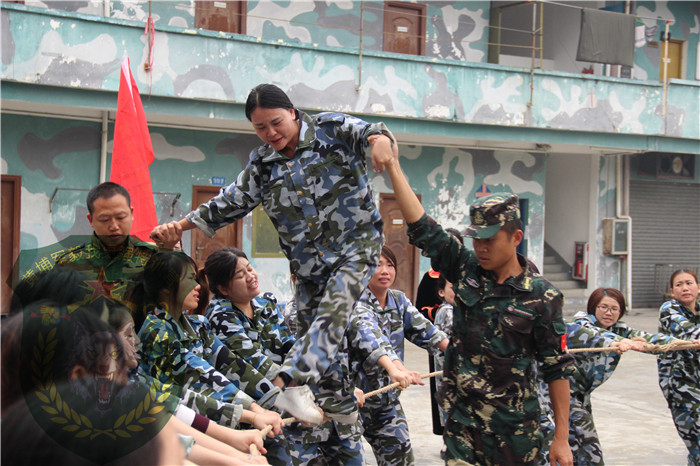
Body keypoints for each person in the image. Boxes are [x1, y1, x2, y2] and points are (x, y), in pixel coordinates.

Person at [149, 83, 398, 425]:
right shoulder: (263, 164)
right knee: (319, 335)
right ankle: (338, 407)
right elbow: (230, 201)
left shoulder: (330, 129)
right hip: (309, 266)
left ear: (293, 113)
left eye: (277, 122)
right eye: (260, 127)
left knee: (333, 312)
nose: (270, 133)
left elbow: (373, 132)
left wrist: (381, 141)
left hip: (356, 249)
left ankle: (291, 380)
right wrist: (182, 225)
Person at [379, 148, 575, 466]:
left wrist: (562, 438)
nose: (480, 247)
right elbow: (424, 227)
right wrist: (392, 165)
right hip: (463, 428)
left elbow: (557, 369)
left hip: (514, 435)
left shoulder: (543, 297)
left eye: (490, 239)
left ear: (516, 237)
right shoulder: (466, 268)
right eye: (476, 239)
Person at [134, 251, 284, 427]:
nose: (197, 286)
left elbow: (232, 364)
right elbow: (202, 377)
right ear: (166, 287)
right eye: (188, 280)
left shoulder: (197, 325)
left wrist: (275, 400)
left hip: (211, 417)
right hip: (173, 426)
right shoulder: (157, 333)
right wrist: (255, 412)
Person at [539, 287, 681, 465]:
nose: (608, 313)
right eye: (603, 307)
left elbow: (649, 340)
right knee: (589, 447)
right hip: (556, 393)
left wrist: (682, 343)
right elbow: (593, 335)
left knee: (576, 447)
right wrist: (617, 342)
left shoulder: (620, 331)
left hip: (580, 396)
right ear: (593, 308)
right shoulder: (582, 323)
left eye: (614, 309)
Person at [349, 244, 448, 465]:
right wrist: (397, 369)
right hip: (351, 402)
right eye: (377, 264)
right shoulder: (353, 303)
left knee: (400, 458)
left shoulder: (399, 300)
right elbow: (372, 339)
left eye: (390, 265)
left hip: (386, 403)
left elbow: (429, 332)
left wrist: (460, 354)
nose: (385, 270)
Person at [203, 247, 295, 464]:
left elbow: (290, 346)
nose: (251, 276)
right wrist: (300, 392)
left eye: (250, 269)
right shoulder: (220, 316)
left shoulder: (266, 305)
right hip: (244, 415)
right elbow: (256, 363)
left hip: (279, 406)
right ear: (223, 288)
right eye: (240, 275)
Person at [49, 182, 176, 311]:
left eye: (121, 217)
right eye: (104, 219)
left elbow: (176, 297)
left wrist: (170, 251)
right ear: (90, 220)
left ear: (131, 214)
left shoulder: (152, 258)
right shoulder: (68, 263)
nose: (114, 226)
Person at [658, 269, 700, 464]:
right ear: (672, 291)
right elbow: (690, 332)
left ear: (698, 288)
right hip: (682, 388)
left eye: (689, 283)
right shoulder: (669, 309)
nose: (685, 288)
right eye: (679, 284)